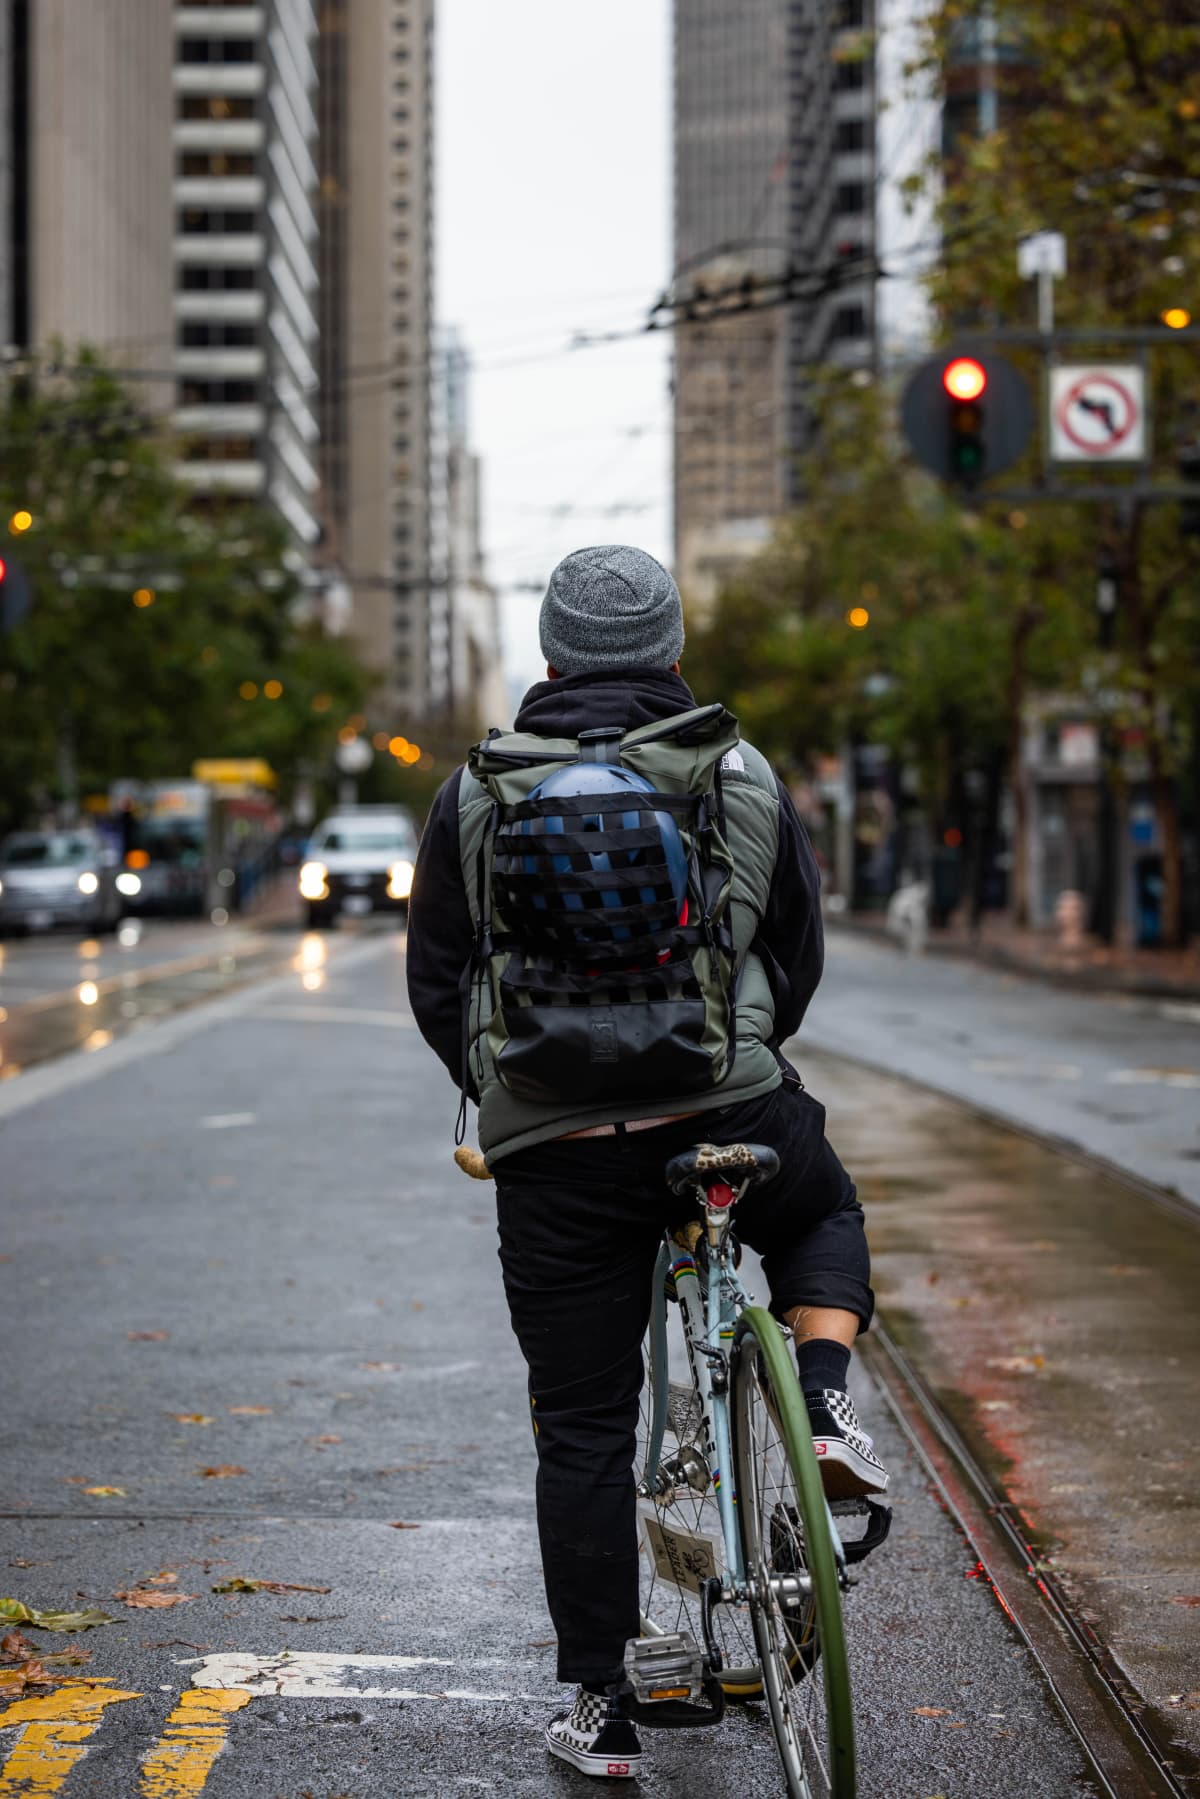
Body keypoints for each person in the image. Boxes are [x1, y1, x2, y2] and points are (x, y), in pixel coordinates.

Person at [407, 544, 888, 1780]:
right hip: (721, 1111)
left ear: (552, 657)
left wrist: (508, 1087)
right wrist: (734, 1062)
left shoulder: (475, 791)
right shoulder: (736, 770)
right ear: (673, 651)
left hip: (557, 1148)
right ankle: (823, 1396)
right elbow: (798, 952)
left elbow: (436, 981)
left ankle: (600, 1702)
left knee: (581, 1423)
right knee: (821, 1207)